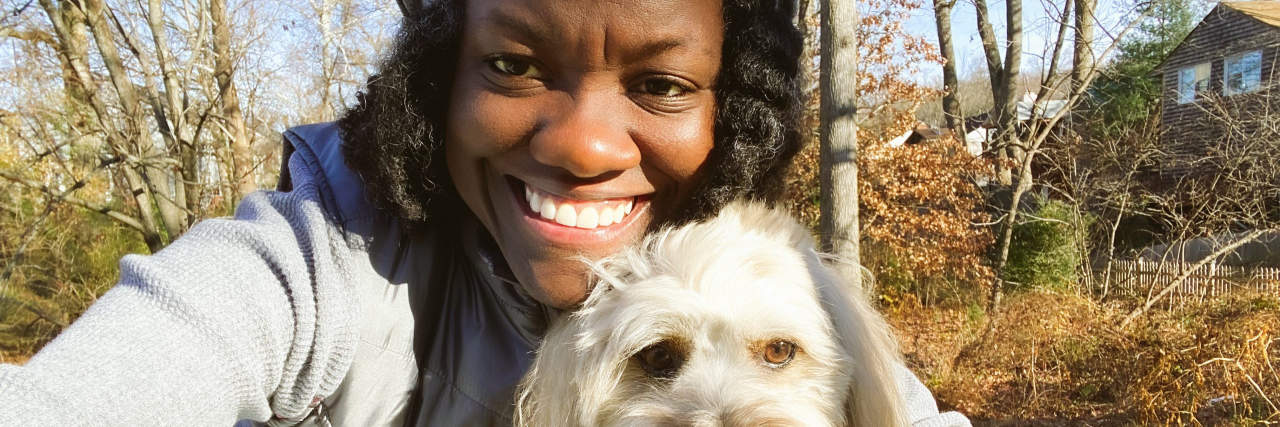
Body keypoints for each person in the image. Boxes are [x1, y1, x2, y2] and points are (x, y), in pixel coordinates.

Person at [0, 0, 970, 425]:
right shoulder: (319, 264)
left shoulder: (778, 267)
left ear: (730, 105)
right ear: (438, 78)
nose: (583, 146)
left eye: (661, 81)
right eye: (513, 65)